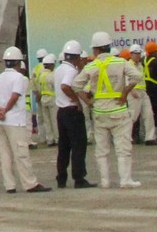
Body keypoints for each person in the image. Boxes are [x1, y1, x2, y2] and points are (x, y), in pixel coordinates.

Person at [72, 33, 144, 188]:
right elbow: (137, 76)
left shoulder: (91, 66)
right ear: (109, 47)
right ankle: (125, 180)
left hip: (99, 112)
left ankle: (105, 181)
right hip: (118, 109)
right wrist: (125, 92)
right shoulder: (120, 62)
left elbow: (76, 85)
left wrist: (88, 101)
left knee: (102, 150)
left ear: (96, 50)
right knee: (123, 148)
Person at [0, 46, 48, 193]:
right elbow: (15, 96)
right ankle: (30, 183)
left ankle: (9, 185)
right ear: (18, 62)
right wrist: (5, 110)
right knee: (21, 153)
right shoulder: (20, 78)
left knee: (5, 154)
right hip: (15, 121)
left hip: (1, 122)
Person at [54, 40, 94, 187]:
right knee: (78, 145)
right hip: (72, 111)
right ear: (77, 57)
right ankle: (79, 178)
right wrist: (77, 100)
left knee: (63, 147)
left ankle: (61, 178)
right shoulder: (71, 70)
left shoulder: (59, 69)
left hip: (61, 112)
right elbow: (65, 86)